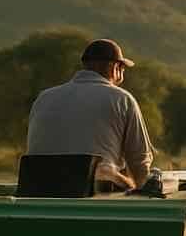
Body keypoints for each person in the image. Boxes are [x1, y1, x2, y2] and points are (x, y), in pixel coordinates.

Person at [26, 38, 154, 192]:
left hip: (38, 186)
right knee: (122, 179)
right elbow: (139, 161)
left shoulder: (44, 97)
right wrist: (141, 191)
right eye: (123, 68)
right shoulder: (122, 99)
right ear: (116, 67)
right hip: (91, 189)